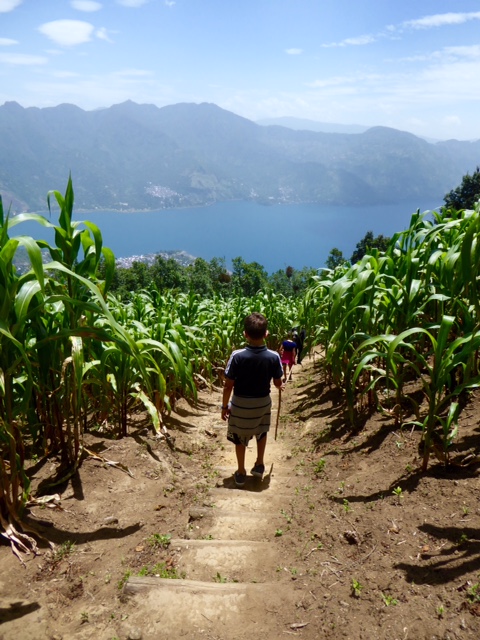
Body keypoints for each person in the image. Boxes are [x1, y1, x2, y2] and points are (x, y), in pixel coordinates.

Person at [221, 312, 284, 488]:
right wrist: (281, 385)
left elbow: (228, 385)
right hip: (262, 403)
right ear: (266, 334)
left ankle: (241, 472)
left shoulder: (237, 356)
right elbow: (277, 382)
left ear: (245, 334)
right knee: (261, 432)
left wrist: (224, 406)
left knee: (239, 437)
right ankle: (259, 464)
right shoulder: (274, 356)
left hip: (240, 404)